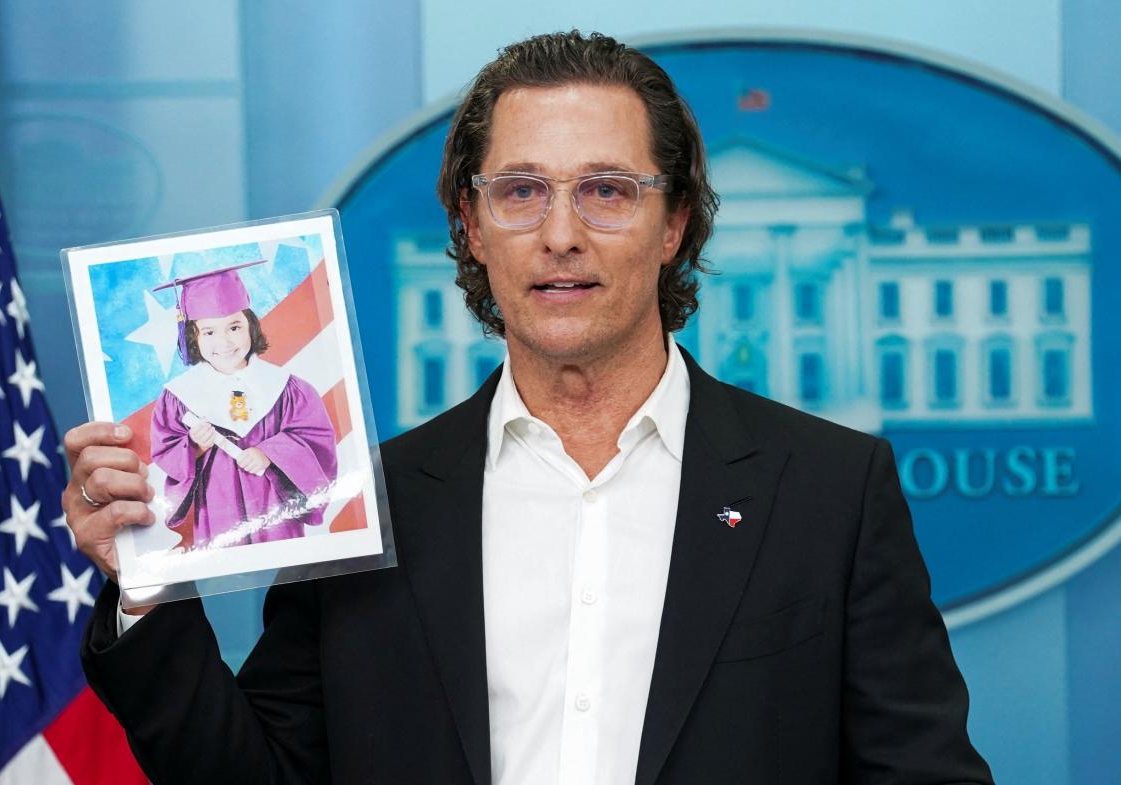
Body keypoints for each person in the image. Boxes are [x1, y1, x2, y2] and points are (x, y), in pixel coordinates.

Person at [63, 30, 994, 785]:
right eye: (520, 192)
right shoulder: (367, 501)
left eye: (606, 191)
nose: (560, 234)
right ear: (470, 226)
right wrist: (146, 582)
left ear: (675, 225)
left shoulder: (830, 490)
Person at [146, 260, 339, 548]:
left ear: (251, 327)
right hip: (217, 511)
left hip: (275, 511)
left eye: (234, 327)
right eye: (209, 332)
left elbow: (316, 440)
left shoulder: (288, 388)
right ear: (193, 338)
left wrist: (269, 452)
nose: (224, 342)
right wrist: (196, 446)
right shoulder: (179, 396)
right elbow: (166, 450)